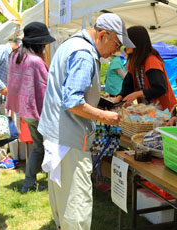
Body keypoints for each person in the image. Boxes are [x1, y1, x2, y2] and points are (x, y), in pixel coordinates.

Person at [37, 13, 133, 229]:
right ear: (102, 35)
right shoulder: (84, 53)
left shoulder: (71, 44)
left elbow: (69, 92)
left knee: (64, 202)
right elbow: (73, 102)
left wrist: (97, 104)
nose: (116, 52)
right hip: (69, 139)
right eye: (117, 45)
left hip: (58, 135)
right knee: (76, 206)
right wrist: (106, 116)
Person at [6, 22, 56, 193]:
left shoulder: (16, 56)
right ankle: (36, 184)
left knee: (38, 146)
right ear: (39, 44)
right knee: (46, 147)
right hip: (37, 111)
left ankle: (29, 183)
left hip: (25, 110)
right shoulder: (35, 61)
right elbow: (47, 89)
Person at [114, 26, 177, 111]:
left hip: (164, 112)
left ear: (136, 42)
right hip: (149, 111)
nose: (125, 45)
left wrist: (138, 94)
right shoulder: (133, 63)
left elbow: (160, 88)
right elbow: (128, 86)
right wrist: (120, 97)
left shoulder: (152, 61)